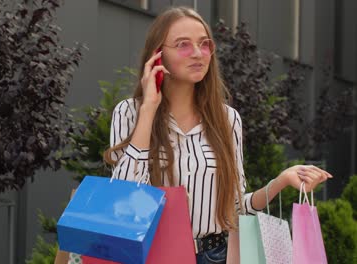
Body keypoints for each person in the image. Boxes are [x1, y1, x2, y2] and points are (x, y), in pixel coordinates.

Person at [103, 6, 332, 264]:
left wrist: (280, 181)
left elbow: (234, 208)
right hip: (154, 255)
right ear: (158, 55)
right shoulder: (130, 113)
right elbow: (123, 196)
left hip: (215, 256)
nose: (198, 54)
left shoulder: (227, 120)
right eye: (183, 45)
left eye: (204, 44)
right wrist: (148, 110)